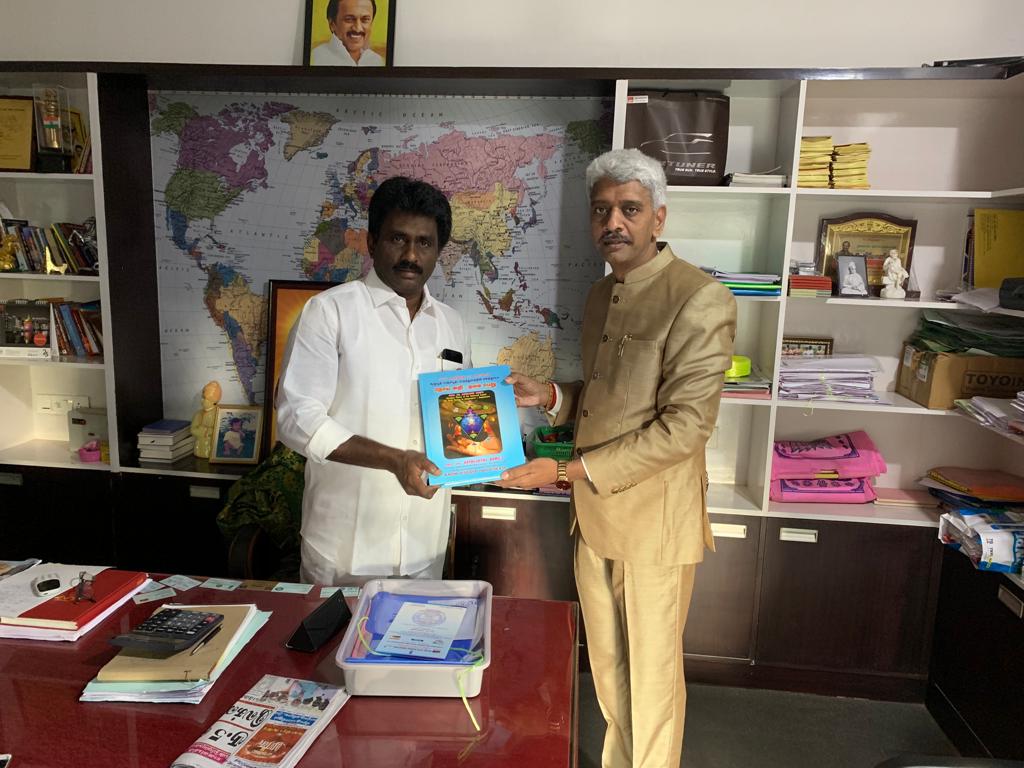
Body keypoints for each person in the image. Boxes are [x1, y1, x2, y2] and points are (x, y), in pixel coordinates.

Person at [496, 148, 736, 767]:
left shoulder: (699, 297)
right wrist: (552, 396)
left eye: (629, 209)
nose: (614, 223)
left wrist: (566, 471)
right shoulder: (603, 295)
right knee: (608, 671)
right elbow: (610, 401)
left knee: (652, 683)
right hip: (594, 519)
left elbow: (685, 427)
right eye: (601, 210)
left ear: (659, 217)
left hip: (652, 525)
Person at [276, 176, 471, 586]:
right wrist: (393, 460)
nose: (411, 255)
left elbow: (458, 419)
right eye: (398, 239)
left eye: (424, 243)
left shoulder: (453, 325)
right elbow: (297, 419)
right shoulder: (329, 312)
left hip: (424, 550)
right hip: (343, 551)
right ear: (371, 242)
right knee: (334, 634)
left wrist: (490, 440)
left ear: (438, 251)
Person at [310, 0, 385, 67]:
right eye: (349, 19)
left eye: (365, 19)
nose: (358, 28)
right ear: (332, 24)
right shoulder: (316, 58)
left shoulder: (377, 61)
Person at [190, 380, 222, 458]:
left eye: (205, 398)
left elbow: (219, 431)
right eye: (202, 397)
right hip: (199, 447)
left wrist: (207, 431)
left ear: (213, 401)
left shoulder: (218, 414)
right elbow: (192, 430)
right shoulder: (198, 414)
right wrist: (205, 431)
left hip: (212, 448)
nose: (202, 400)